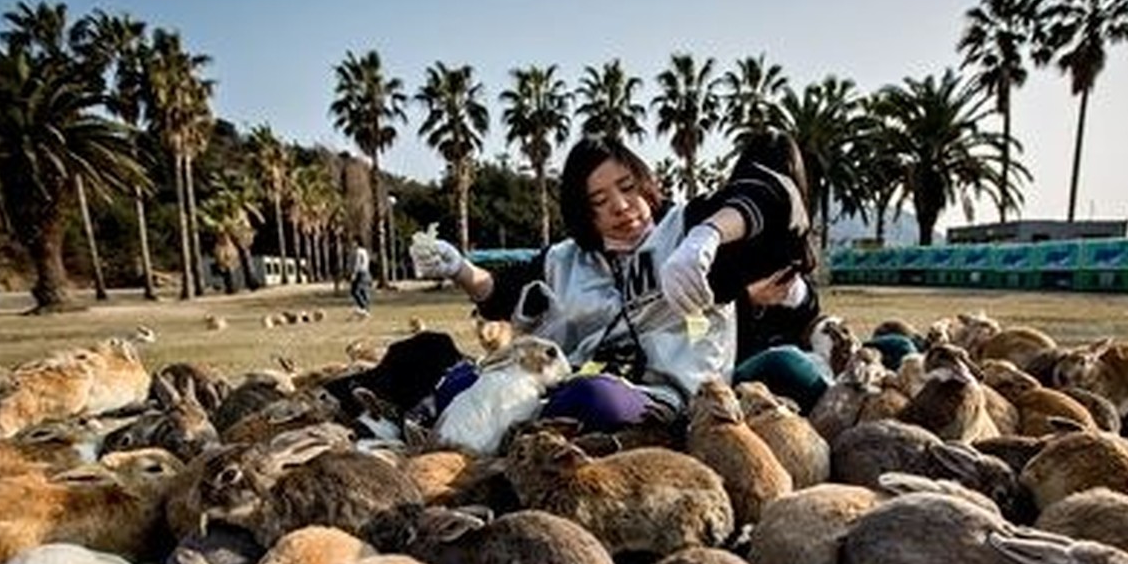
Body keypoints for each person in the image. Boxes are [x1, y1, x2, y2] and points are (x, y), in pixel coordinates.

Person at [412, 134, 808, 433]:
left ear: (645, 183)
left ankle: (503, 428)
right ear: (583, 213)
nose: (619, 206)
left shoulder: (684, 227)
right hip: (565, 381)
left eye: (627, 187)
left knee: (593, 399)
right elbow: (499, 294)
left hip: (669, 396)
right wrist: (459, 268)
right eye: (599, 201)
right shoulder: (562, 259)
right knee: (458, 378)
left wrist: (708, 237)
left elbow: (776, 188)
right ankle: (495, 422)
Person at [708, 131, 832, 412]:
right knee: (784, 361)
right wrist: (748, 300)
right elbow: (695, 325)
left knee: (895, 344)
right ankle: (837, 402)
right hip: (737, 366)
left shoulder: (792, 238)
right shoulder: (717, 239)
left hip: (797, 358)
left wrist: (800, 297)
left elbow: (808, 318)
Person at [350, 238, 372, 314]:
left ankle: (363, 307)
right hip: (366, 272)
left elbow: (357, 263)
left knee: (355, 291)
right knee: (363, 291)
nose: (352, 244)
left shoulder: (358, 252)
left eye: (353, 242)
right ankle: (365, 308)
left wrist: (354, 273)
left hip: (360, 272)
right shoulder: (364, 251)